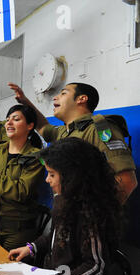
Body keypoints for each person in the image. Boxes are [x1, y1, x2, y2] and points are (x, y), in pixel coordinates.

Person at [8, 138, 122, 275]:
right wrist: (32, 247)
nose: (47, 180)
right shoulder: (63, 200)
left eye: (52, 174)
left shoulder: (89, 213)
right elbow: (56, 237)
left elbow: (96, 267)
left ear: (72, 177)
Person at [8, 82, 137, 204]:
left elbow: (126, 181)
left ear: (81, 99)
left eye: (63, 93)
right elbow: (42, 126)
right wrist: (25, 102)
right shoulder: (63, 132)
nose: (55, 98)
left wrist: (94, 218)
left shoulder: (98, 129)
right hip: (66, 213)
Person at [0, 105, 45, 251]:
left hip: (17, 231)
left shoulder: (35, 157)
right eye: (7, 119)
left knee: (8, 271)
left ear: (30, 126)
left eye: (16, 119)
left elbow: (20, 192)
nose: (9, 123)